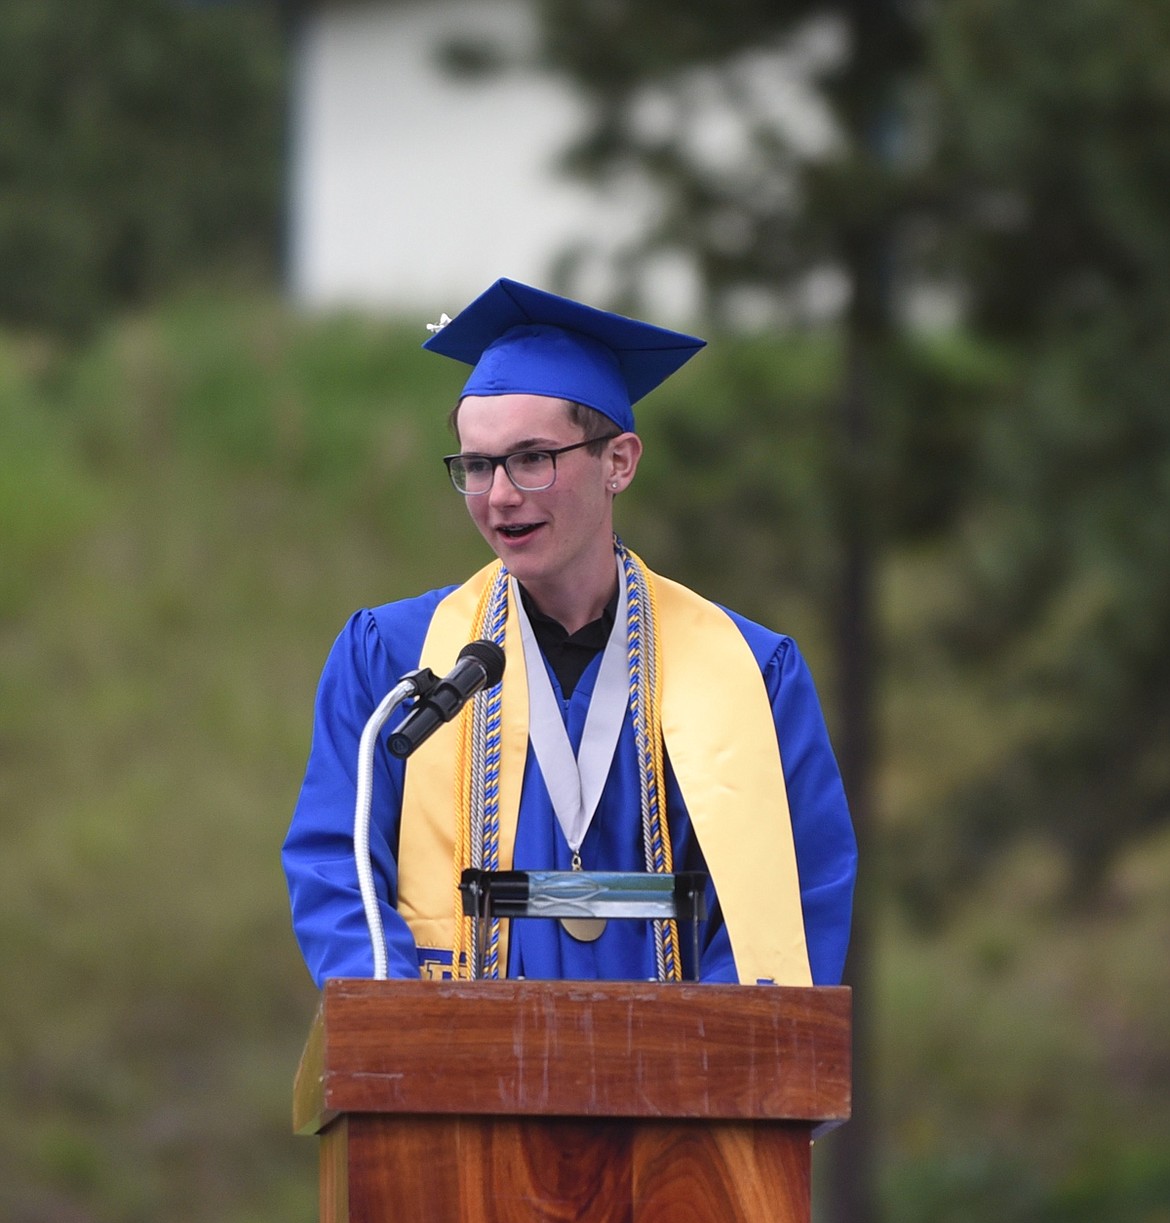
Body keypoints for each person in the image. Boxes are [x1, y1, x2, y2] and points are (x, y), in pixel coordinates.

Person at [282, 278, 856, 988]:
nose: (498, 496)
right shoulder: (397, 660)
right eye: (477, 465)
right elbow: (338, 868)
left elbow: (796, 889)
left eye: (531, 459)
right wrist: (406, 1033)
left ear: (618, 462)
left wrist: (707, 1074)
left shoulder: (746, 670)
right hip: (461, 1078)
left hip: (675, 1083)